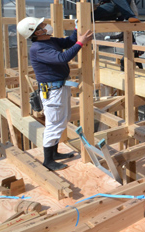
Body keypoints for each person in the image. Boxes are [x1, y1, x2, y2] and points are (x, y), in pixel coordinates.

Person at [17, 16, 93, 171]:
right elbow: (62, 57)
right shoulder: (38, 49)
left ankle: (55, 153)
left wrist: (77, 30)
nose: (46, 25)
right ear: (36, 32)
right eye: (42, 25)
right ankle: (48, 160)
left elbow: (67, 43)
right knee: (53, 124)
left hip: (60, 87)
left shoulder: (49, 41)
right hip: (52, 91)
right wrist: (81, 42)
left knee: (62, 120)